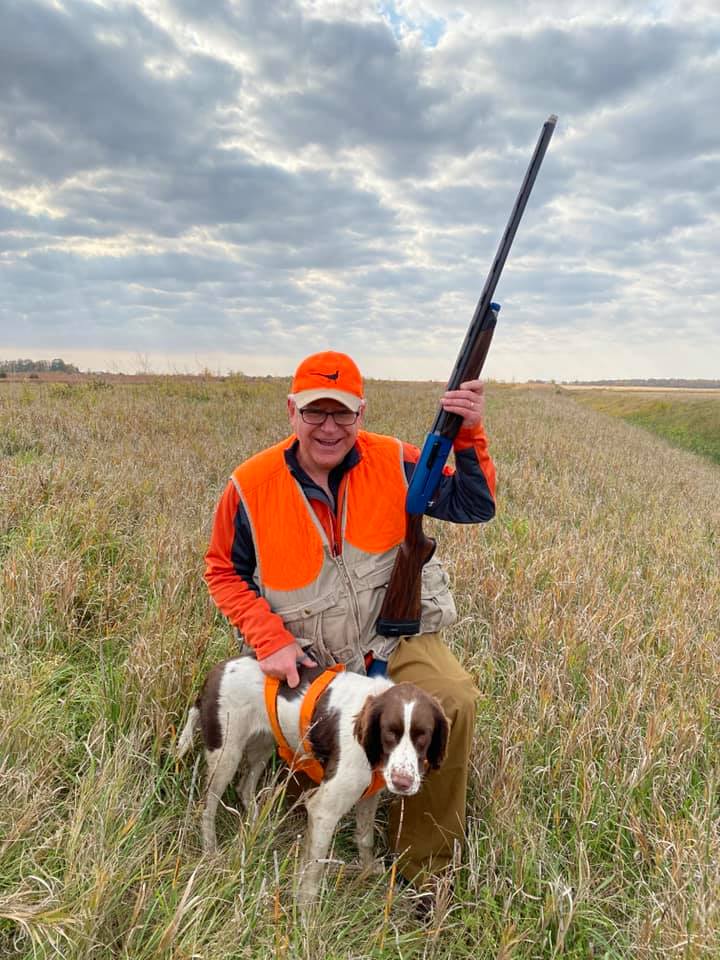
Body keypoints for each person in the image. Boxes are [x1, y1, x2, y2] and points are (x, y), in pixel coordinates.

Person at [204, 350, 496, 903]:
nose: (329, 428)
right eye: (315, 412)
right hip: (313, 653)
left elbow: (475, 504)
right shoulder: (249, 485)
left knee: (453, 697)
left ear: (361, 414)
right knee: (316, 786)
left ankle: (422, 866)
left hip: (396, 635)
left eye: (342, 414)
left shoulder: (398, 459)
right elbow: (222, 570)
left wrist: (469, 434)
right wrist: (270, 639)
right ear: (292, 411)